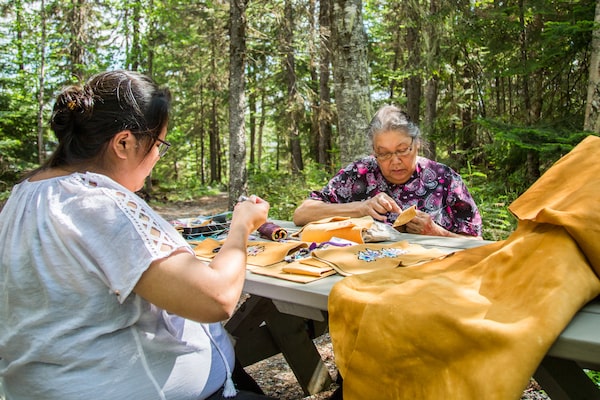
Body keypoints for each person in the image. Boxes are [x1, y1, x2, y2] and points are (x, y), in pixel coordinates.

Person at [0, 70, 276, 400]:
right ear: (124, 142)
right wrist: (241, 226)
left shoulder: (22, 195)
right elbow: (216, 299)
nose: (158, 155)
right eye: (158, 144)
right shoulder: (98, 203)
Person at [293, 105, 482, 239]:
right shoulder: (360, 173)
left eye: (403, 150)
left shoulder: (444, 178)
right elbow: (302, 214)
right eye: (383, 153)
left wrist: (436, 232)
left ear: (416, 144)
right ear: (374, 151)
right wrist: (361, 208)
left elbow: (477, 243)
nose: (395, 161)